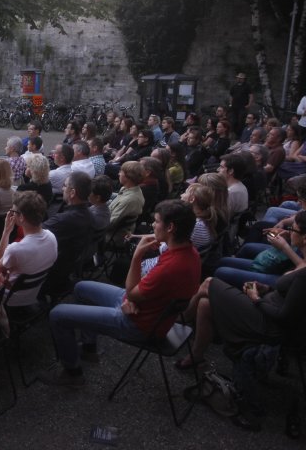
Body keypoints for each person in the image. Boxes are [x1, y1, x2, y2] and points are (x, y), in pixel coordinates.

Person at [40, 200, 201, 386]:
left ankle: (72, 373)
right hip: (143, 309)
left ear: (171, 227)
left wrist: (137, 256)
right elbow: (146, 292)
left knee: (57, 314)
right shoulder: (189, 251)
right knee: (81, 288)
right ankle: (88, 347)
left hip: (137, 324)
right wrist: (133, 299)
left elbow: (133, 293)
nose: (153, 226)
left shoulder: (171, 266)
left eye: (156, 222)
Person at [179, 211, 306, 375]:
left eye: (293, 229)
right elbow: (296, 296)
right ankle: (196, 356)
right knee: (205, 304)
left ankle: (180, 321)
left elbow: (284, 317)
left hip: (268, 325)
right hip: (271, 310)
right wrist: (267, 288)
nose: (289, 231)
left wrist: (255, 299)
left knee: (208, 283)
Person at [0, 191, 58, 308]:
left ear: (21, 217)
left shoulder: (16, 249)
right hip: (32, 295)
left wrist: (6, 232)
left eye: (13, 212)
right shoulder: (52, 237)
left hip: (9, 299)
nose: (11, 214)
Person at [40, 172, 95, 298]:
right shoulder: (89, 213)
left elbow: (34, 234)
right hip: (66, 269)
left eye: (65, 186)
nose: (62, 189)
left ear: (73, 193)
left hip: (50, 274)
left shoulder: (63, 220)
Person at [106, 161, 146, 244]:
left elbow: (109, 224)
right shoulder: (129, 188)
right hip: (110, 224)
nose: (119, 174)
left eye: (121, 172)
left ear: (129, 177)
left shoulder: (130, 200)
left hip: (112, 236)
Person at [218, 153, 249, 219]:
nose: (218, 170)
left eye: (221, 167)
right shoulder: (239, 186)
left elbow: (222, 217)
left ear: (231, 171)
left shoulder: (231, 192)